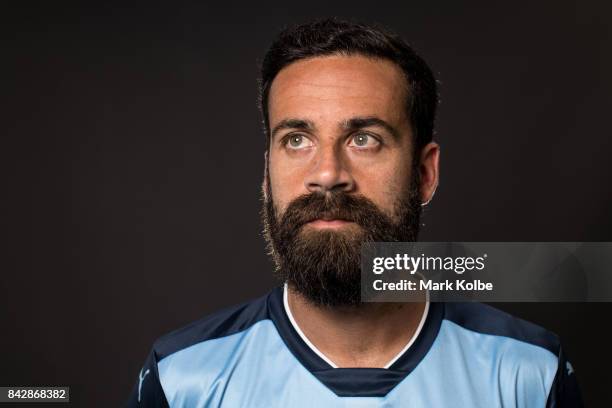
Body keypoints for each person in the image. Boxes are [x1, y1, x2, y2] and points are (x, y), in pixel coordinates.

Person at [127, 18, 582, 407]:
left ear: (424, 174)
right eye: (297, 140)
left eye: (363, 139)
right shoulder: (181, 379)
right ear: (266, 174)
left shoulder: (530, 374)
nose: (327, 174)